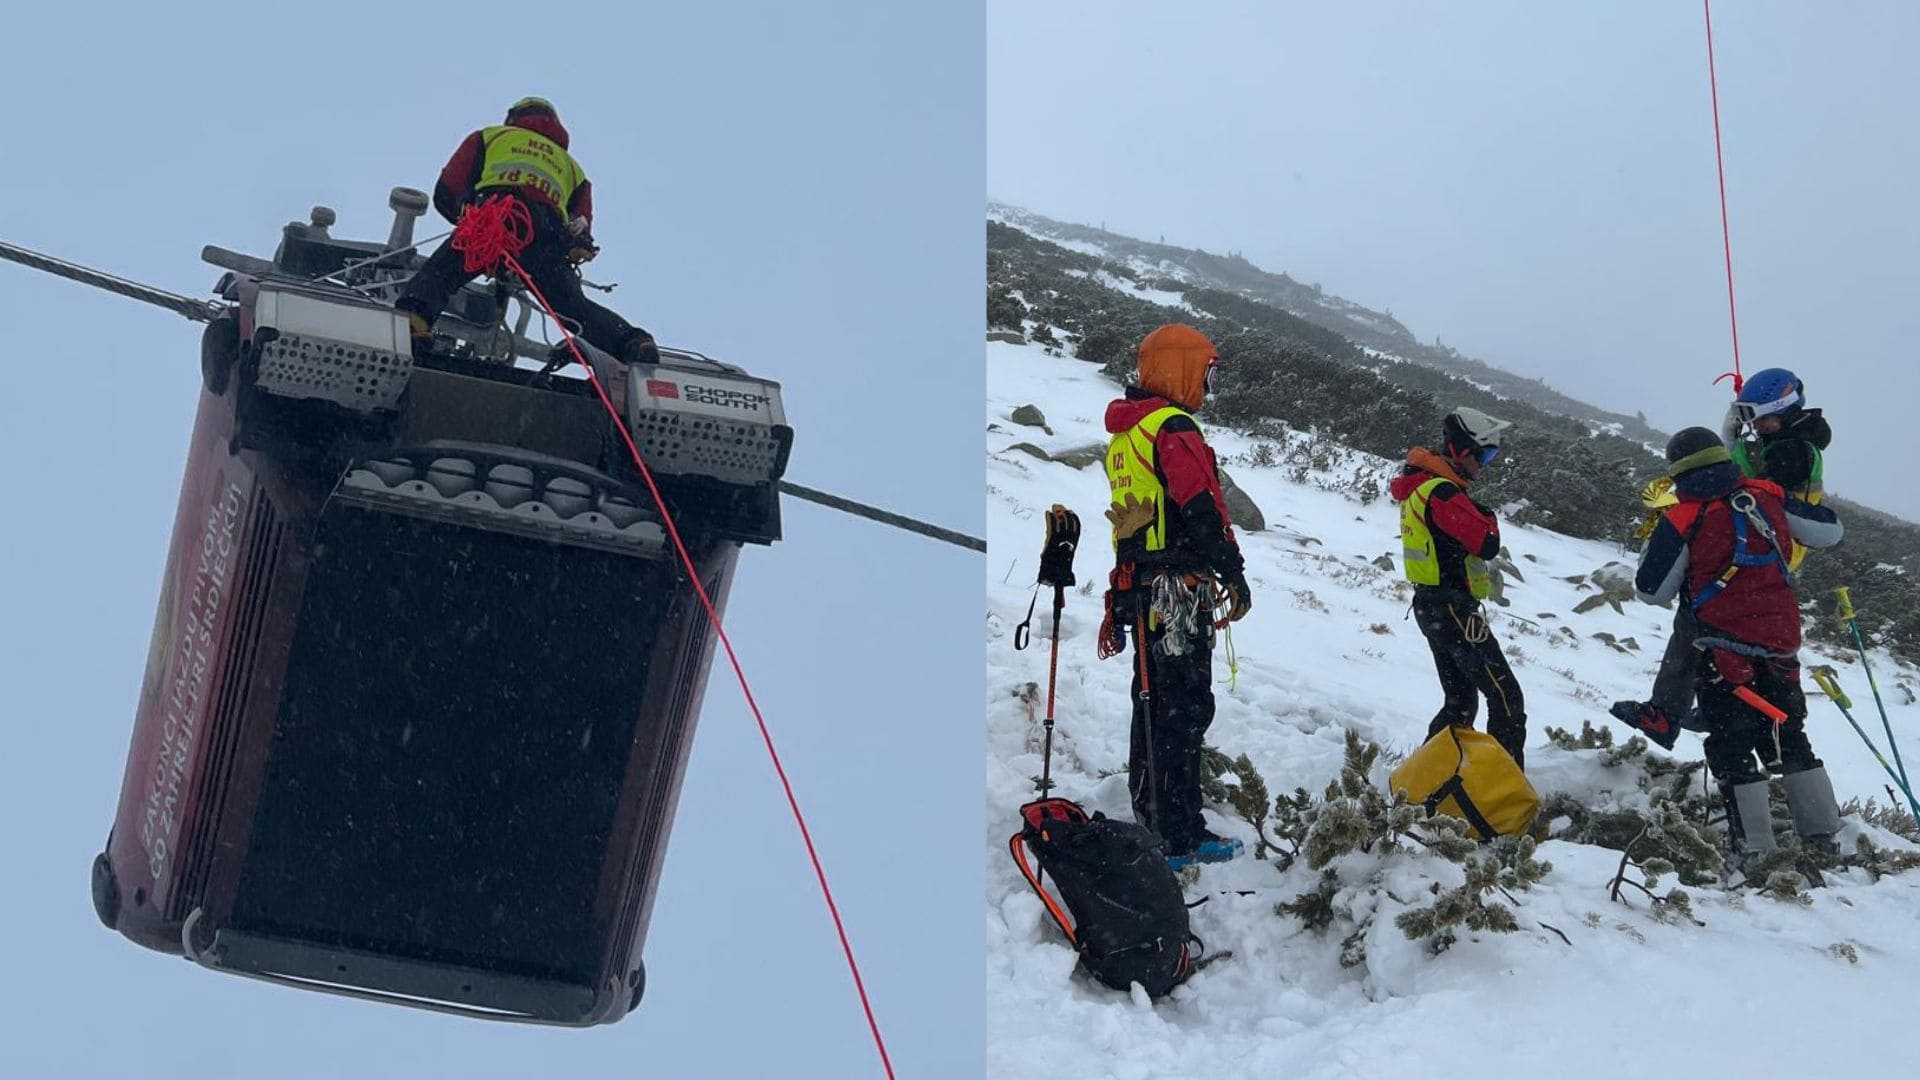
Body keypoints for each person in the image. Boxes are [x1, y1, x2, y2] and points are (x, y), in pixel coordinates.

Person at [1628, 427, 1844, 862]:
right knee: (1788, 733)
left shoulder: (1683, 516)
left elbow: (1651, 589)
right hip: (1780, 642)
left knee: (1731, 742)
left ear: (1677, 472)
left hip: (1722, 648)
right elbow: (1830, 532)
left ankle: (1755, 851)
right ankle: (1823, 837)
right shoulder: (1765, 494)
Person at [1612, 367, 1831, 743]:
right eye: (1752, 418)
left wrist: (1729, 449)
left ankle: (1676, 713)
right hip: (1763, 545)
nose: (1758, 426)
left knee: (1699, 617)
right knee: (1741, 629)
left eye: (1764, 419)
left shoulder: (1792, 452)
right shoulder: (1792, 442)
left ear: (1788, 411)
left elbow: (1748, 487)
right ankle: (1726, 708)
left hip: (1758, 543)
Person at [1102, 323, 1252, 868]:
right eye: (1207, 375)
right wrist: (1233, 572)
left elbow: (1132, 520)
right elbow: (1201, 508)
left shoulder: (1126, 434)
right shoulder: (1174, 429)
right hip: (1178, 591)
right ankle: (1180, 835)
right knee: (1184, 710)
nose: (1209, 389)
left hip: (1140, 586)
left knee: (1152, 704)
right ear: (1185, 368)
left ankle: (1153, 816)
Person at [394, 97, 659, 364]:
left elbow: (448, 190)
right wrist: (577, 245)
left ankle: (412, 325)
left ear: (513, 118)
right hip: (547, 237)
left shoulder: (490, 137)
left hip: (495, 219)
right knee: (571, 306)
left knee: (440, 274)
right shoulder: (573, 168)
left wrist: (466, 217)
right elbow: (581, 227)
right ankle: (633, 343)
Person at [1390, 407, 1528, 768]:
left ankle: (1424, 782)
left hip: (1433, 606)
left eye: (1492, 455)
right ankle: (1502, 798)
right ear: (1463, 451)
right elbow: (1487, 542)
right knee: (1507, 699)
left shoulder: (1422, 485)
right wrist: (1486, 514)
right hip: (1452, 609)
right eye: (1485, 454)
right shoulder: (1443, 493)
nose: (1486, 464)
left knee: (1460, 703)